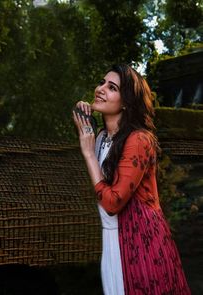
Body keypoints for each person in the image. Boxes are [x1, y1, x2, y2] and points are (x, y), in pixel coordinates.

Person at [73, 64, 191, 295]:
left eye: (112, 87)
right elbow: (79, 115)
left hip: (140, 241)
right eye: (101, 83)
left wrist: (88, 153)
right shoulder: (101, 137)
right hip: (112, 239)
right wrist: (81, 113)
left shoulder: (139, 140)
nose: (101, 89)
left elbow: (112, 203)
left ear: (126, 101)